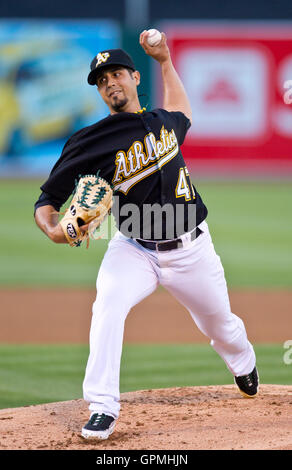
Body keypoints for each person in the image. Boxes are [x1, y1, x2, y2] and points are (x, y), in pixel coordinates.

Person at [34, 30, 259, 440]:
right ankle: (102, 406)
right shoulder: (88, 141)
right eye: (102, 81)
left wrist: (165, 60)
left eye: (116, 73)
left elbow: (184, 111)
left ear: (135, 78)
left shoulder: (163, 121)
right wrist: (52, 229)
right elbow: (47, 200)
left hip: (193, 251)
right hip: (134, 249)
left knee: (220, 326)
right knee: (107, 306)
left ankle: (243, 362)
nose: (110, 84)